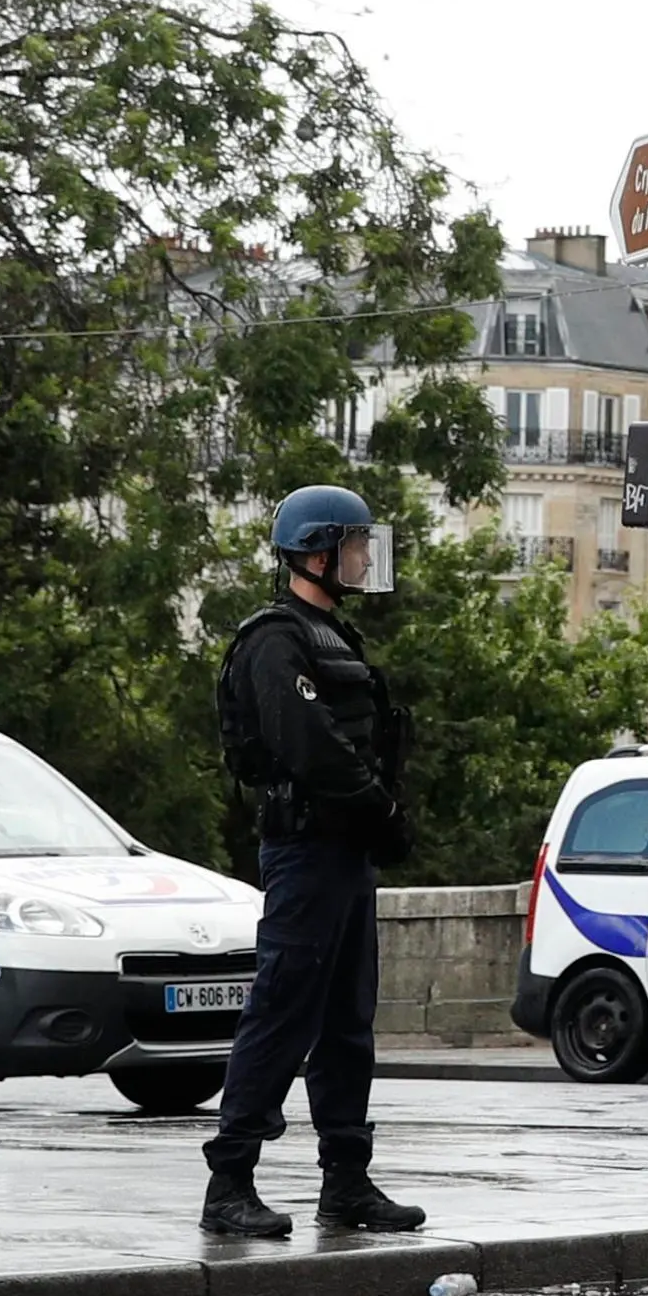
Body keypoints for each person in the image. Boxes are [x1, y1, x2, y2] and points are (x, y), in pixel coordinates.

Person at [204, 483, 423, 1242]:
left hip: (345, 850)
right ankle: (229, 1180)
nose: (366, 558)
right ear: (317, 552)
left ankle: (347, 1180)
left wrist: (378, 814)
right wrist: (378, 807)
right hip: (307, 847)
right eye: (357, 544)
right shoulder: (276, 638)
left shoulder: (334, 635)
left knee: (346, 1021)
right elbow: (311, 744)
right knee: (282, 1010)